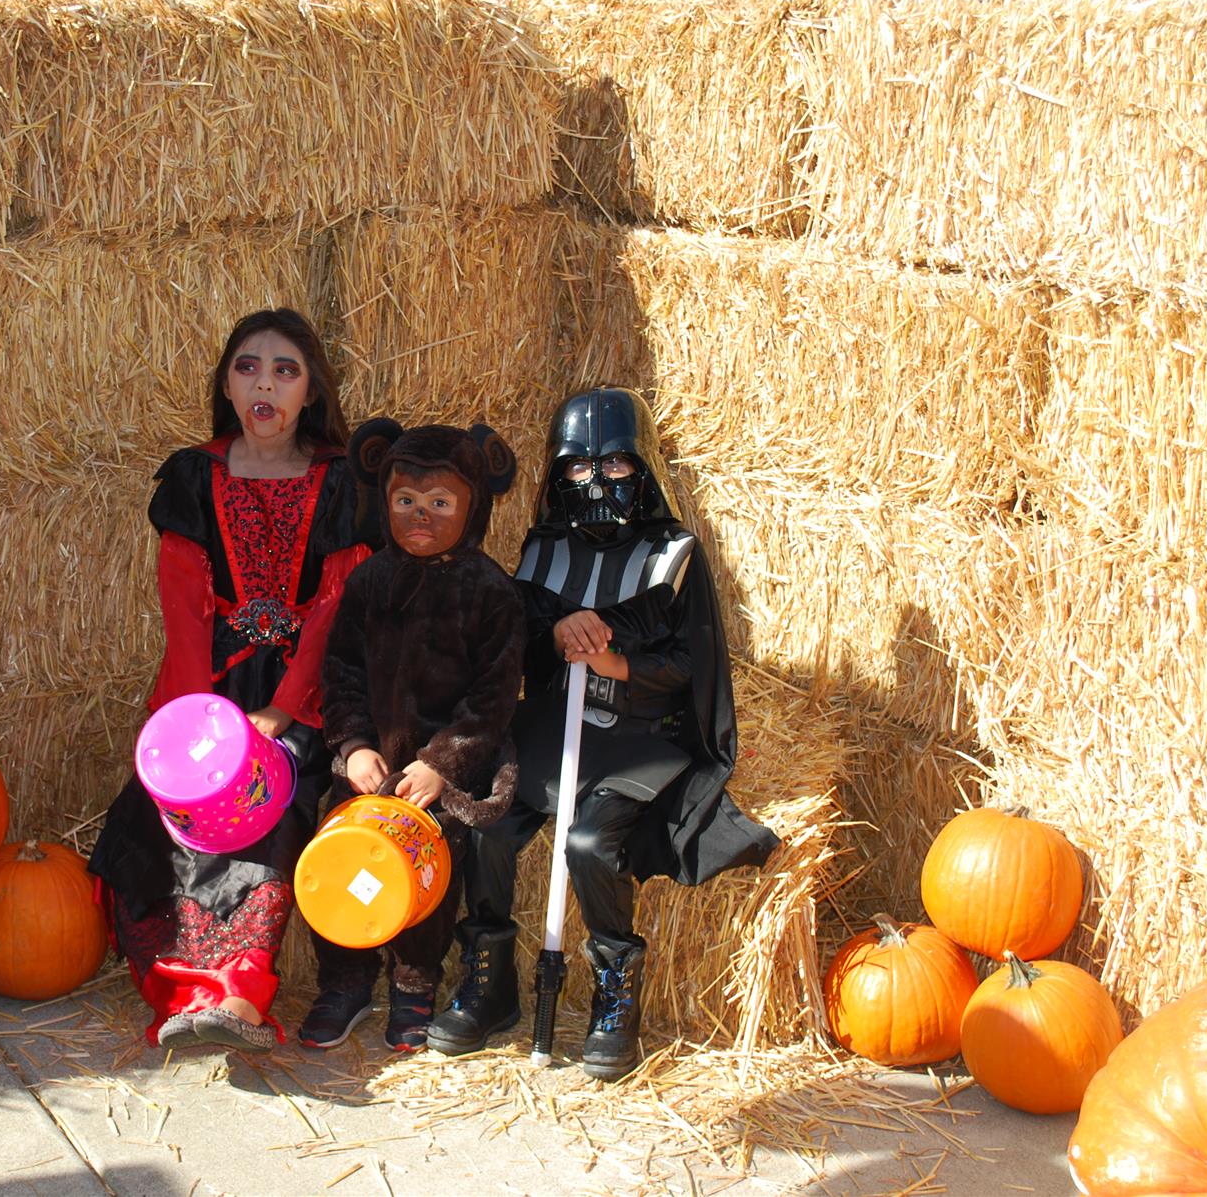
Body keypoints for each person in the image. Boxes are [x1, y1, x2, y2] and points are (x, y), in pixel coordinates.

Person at [425, 387, 780, 1081]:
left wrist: (619, 660)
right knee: (489, 826)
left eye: (615, 467)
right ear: (558, 477)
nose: (596, 485)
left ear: (642, 467)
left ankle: (616, 990)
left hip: (639, 736)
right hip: (553, 726)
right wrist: (553, 631)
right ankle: (491, 979)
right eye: (578, 470)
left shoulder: (674, 554)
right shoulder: (543, 549)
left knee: (589, 843)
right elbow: (512, 642)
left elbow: (693, 662)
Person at [86, 308, 373, 1053]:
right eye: (248, 366)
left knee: (267, 809)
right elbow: (180, 598)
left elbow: (336, 603)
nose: (265, 383)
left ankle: (240, 993)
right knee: (167, 820)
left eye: (285, 369)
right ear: (226, 383)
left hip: (300, 695)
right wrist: (197, 725)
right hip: (206, 686)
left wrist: (281, 710)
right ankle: (185, 993)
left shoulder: (341, 479)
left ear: (311, 391)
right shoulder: (194, 473)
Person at [299, 419, 525, 1052]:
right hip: (370, 767)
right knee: (341, 855)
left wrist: (442, 766)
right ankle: (344, 981)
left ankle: (413, 982)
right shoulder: (370, 583)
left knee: (429, 869)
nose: (420, 516)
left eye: (440, 503)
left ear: (473, 505)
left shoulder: (492, 593)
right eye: (405, 502)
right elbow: (339, 672)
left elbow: (493, 698)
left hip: (435, 772)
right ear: (385, 499)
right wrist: (352, 746)